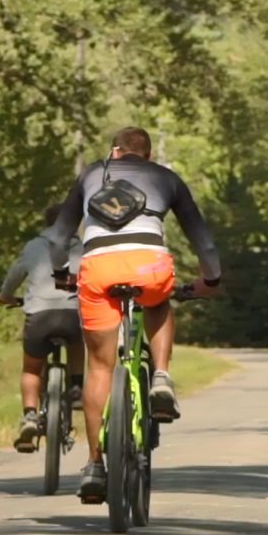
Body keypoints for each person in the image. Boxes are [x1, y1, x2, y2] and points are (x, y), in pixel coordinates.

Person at [46, 126, 222, 504]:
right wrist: (211, 279)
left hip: (98, 269)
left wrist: (62, 273)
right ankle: (160, 376)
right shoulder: (166, 177)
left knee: (98, 368)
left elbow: (60, 238)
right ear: (148, 155)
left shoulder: (92, 173)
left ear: (114, 151)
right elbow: (202, 240)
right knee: (158, 300)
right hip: (149, 265)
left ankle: (94, 464)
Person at [0, 203, 85, 452]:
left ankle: (30, 415)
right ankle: (77, 388)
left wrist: (6, 296)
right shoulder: (84, 248)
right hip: (72, 314)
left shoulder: (34, 246)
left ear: (47, 223)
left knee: (32, 370)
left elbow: (15, 275)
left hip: (39, 316)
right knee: (78, 342)